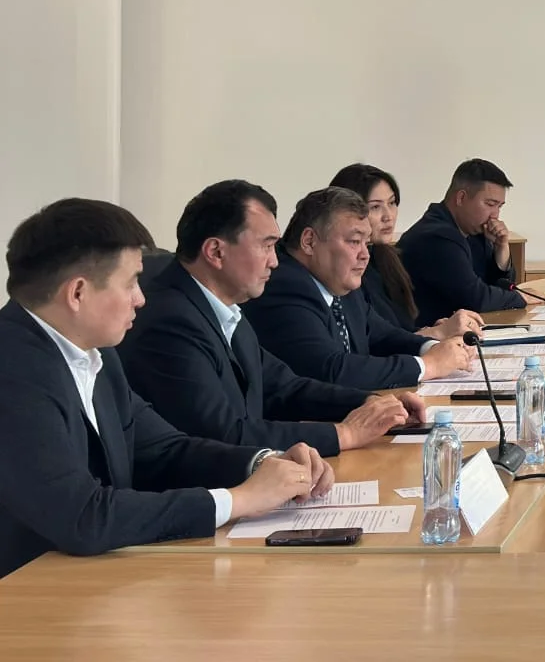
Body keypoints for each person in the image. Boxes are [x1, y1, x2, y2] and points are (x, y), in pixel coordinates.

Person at [0, 198, 332, 578]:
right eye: (131, 283)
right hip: (24, 594)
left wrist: (264, 463)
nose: (141, 299)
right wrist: (238, 500)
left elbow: (165, 450)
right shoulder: (12, 369)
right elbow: (83, 517)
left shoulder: (96, 354)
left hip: (89, 579)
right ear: (78, 293)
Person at [121, 180, 427, 459]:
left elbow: (284, 387)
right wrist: (344, 434)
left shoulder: (224, 309)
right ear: (216, 251)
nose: (275, 261)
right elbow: (223, 434)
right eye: (266, 246)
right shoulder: (170, 321)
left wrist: (370, 403)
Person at [246, 188, 476, 390]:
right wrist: (428, 365)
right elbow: (329, 370)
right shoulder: (282, 285)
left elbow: (382, 336)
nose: (365, 255)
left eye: (366, 243)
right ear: (309, 241)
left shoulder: (339, 281)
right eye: (354, 242)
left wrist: (433, 348)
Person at [328, 163, 482, 339]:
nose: (388, 216)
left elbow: (399, 330)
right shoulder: (348, 270)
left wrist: (435, 330)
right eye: (375, 207)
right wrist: (434, 333)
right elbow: (375, 341)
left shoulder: (386, 257)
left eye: (392, 203)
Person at [399, 159, 527, 327]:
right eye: (490, 204)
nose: (495, 215)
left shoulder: (474, 231)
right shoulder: (435, 237)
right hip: (426, 335)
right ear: (461, 198)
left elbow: (500, 288)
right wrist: (520, 297)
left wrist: (501, 249)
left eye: (499, 206)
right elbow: (476, 299)